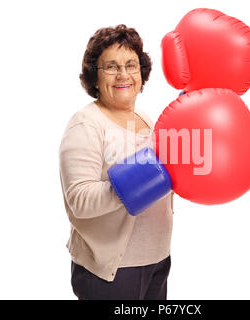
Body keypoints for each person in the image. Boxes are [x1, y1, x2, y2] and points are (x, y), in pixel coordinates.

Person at [58, 24, 174, 300]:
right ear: (94, 77)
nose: (123, 74)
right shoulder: (86, 124)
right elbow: (79, 198)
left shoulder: (148, 119)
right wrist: (140, 182)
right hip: (113, 272)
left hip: (158, 260)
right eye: (111, 66)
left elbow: (169, 177)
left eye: (131, 65)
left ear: (141, 73)